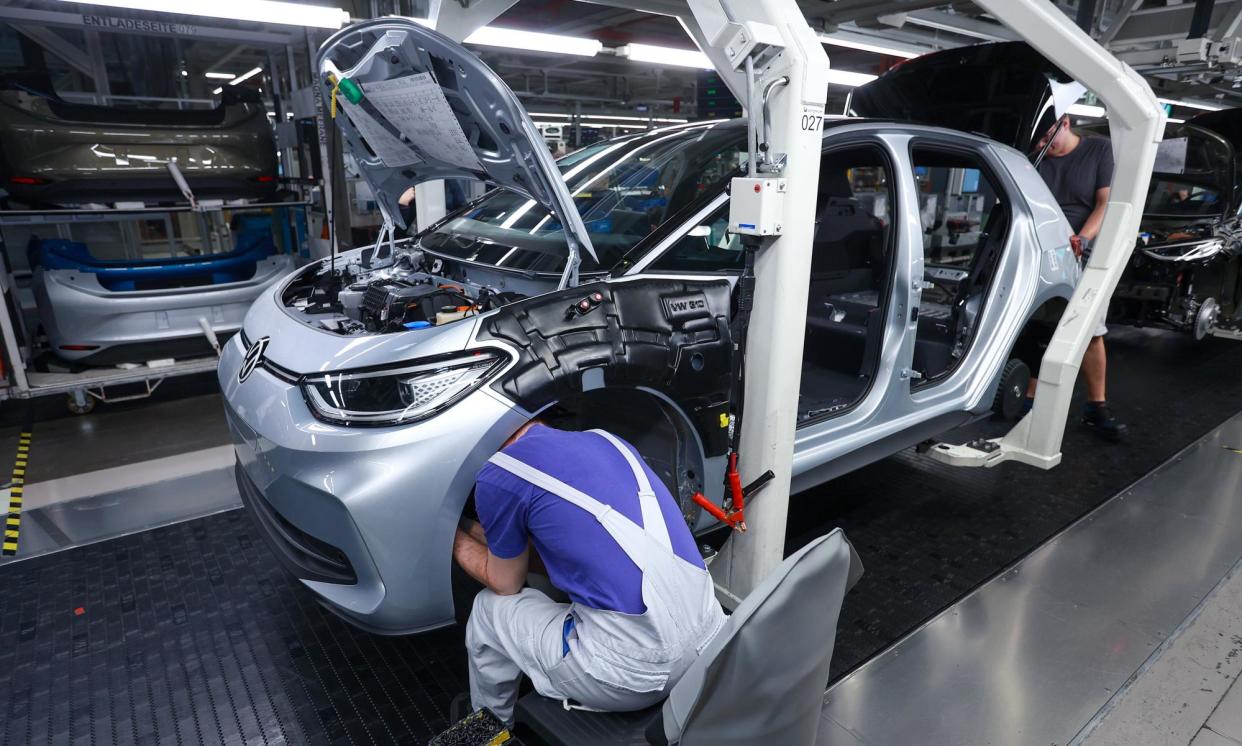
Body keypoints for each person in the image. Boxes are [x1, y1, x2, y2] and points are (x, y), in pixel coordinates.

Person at [453, 421, 725, 724]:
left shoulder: (498, 474)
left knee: (487, 611)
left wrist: (449, 535)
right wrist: (472, 531)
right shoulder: (607, 440)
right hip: (711, 641)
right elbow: (560, 555)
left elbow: (505, 582)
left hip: (634, 674)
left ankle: (485, 730)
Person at [1032, 114, 1127, 440]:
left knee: (1090, 330)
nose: (1044, 146)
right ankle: (1030, 400)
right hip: (1044, 251)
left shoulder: (1098, 150)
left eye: (1047, 137)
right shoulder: (1038, 157)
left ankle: (1096, 406)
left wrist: (1083, 238)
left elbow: (1105, 203)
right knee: (1035, 325)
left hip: (1085, 252)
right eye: (1039, 142)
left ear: (1066, 123)